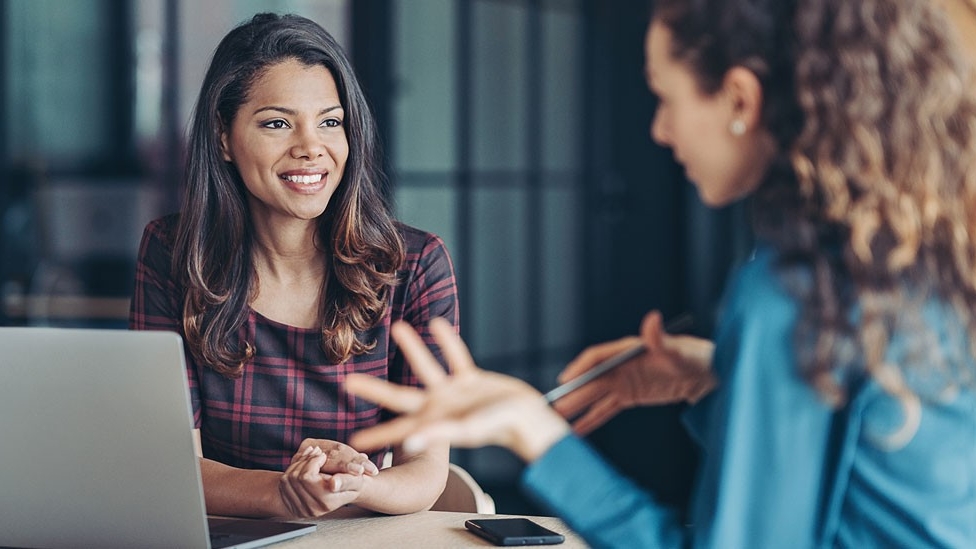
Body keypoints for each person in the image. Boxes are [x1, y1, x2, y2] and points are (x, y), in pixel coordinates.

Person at [345, 0, 976, 546]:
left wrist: (531, 430)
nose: (660, 130)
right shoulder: (914, 247)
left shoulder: (791, 290)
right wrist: (714, 381)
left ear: (739, 99)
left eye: (666, 97)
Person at [129, 12, 458, 519]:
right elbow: (169, 465)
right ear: (223, 137)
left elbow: (426, 471)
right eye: (277, 123)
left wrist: (350, 485)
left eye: (330, 122)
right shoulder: (174, 254)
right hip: (228, 534)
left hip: (356, 535)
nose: (311, 148)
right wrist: (282, 493)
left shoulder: (413, 265)